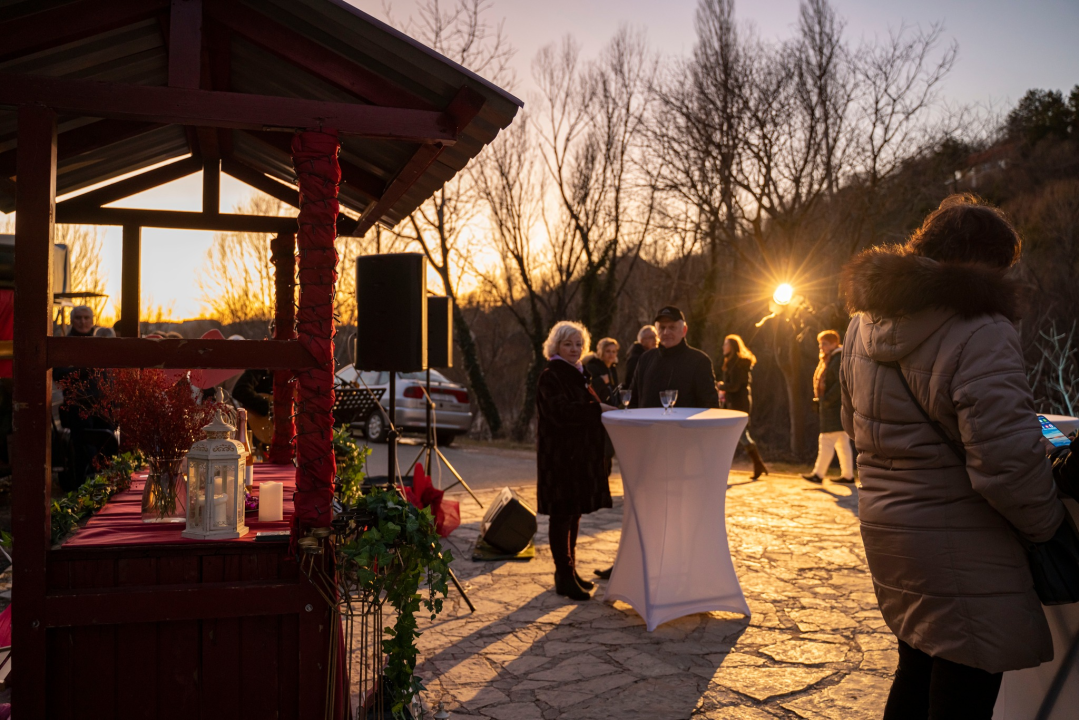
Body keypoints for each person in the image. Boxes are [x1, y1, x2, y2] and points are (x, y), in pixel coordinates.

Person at [840, 193, 1067, 719]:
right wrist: (1048, 527)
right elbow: (1007, 466)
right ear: (987, 262)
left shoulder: (862, 321)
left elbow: (856, 425)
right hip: (965, 545)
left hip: (890, 531)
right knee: (963, 688)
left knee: (916, 666)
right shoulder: (981, 329)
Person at [536, 321, 617, 601]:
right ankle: (563, 575)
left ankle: (570, 571)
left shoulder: (579, 374)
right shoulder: (551, 375)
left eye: (578, 344)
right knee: (562, 515)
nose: (574, 349)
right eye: (568, 344)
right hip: (560, 459)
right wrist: (598, 408)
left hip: (577, 458)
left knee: (574, 513)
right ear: (556, 346)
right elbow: (560, 412)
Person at [628, 306, 720, 410]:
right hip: (647, 425)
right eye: (662, 328)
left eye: (672, 327)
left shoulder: (699, 361)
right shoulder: (645, 359)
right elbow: (632, 400)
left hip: (684, 425)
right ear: (657, 331)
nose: (666, 332)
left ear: (684, 330)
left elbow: (710, 405)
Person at [803, 330, 854, 484]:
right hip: (837, 407)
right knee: (842, 443)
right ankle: (848, 476)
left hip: (834, 408)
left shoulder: (837, 359)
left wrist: (824, 400)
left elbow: (840, 384)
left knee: (826, 440)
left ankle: (818, 474)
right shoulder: (832, 358)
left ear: (834, 343)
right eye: (820, 343)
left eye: (824, 343)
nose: (821, 346)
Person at [719, 334, 768, 480]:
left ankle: (757, 464)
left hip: (739, 404)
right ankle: (758, 464)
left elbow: (735, 386)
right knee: (740, 435)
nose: (723, 347)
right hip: (734, 403)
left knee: (740, 434)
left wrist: (721, 385)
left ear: (732, 346)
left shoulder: (739, 363)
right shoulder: (732, 362)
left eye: (726, 344)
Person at [584, 337, 620, 406]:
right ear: (601, 352)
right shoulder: (592, 367)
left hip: (611, 408)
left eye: (613, 351)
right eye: (608, 351)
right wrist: (601, 381)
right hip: (599, 408)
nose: (611, 354)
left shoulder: (612, 367)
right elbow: (588, 389)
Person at [622, 325, 657, 391]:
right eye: (652, 337)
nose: (655, 340)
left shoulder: (652, 356)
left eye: (656, 337)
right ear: (642, 341)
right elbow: (630, 382)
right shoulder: (636, 358)